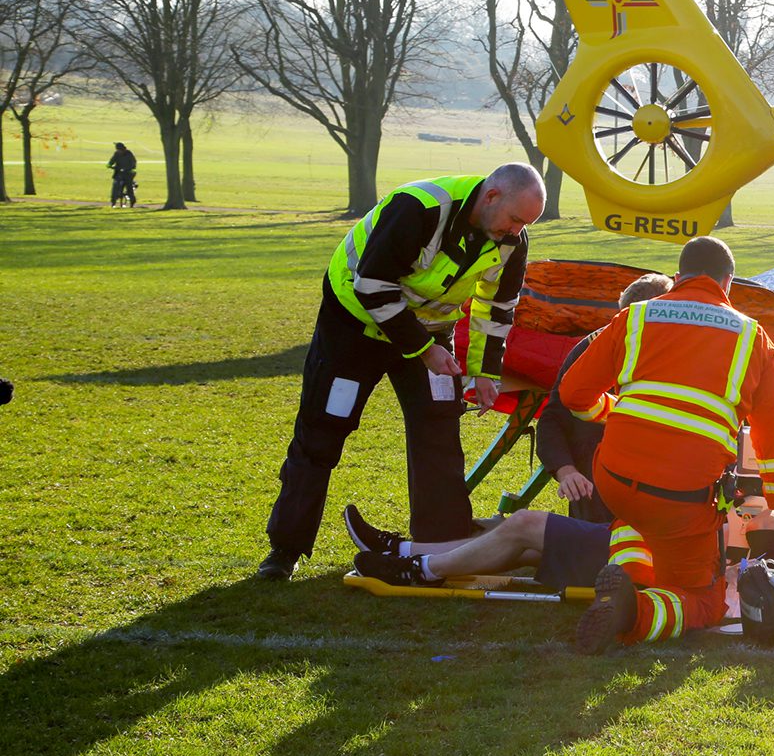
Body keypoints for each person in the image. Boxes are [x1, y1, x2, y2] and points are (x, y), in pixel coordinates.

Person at [256, 163, 545, 582]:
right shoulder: (417, 207)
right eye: (515, 220)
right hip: (354, 328)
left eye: (526, 225)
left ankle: (441, 546)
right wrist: (426, 352)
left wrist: (485, 373)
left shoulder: (510, 239)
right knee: (323, 432)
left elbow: (496, 309)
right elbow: (371, 285)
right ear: (491, 197)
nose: (516, 232)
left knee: (439, 430)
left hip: (428, 332)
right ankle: (286, 549)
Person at [560, 235, 774, 654]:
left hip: (614, 478)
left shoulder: (635, 317)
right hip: (682, 499)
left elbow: (573, 394)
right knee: (705, 599)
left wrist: (613, 411)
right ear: (728, 284)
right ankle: (636, 613)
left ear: (676, 279)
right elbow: (773, 435)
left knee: (633, 518)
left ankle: (627, 580)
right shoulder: (754, 338)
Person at [540, 272, 674, 524]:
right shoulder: (591, 349)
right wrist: (566, 470)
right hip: (596, 486)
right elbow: (553, 418)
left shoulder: (681, 354)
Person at [346, 505, 612, 592]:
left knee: (524, 523)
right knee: (527, 545)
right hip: (629, 537)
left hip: (633, 549)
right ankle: (404, 551)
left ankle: (422, 570)